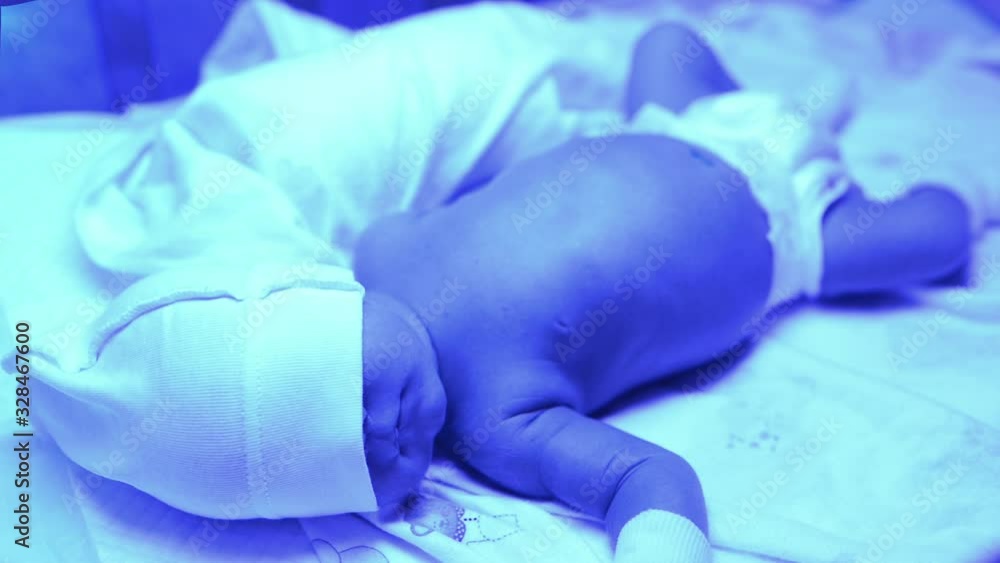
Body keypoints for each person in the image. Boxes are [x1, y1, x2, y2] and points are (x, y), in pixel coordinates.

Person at [1, 2, 982, 562]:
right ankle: (972, 192)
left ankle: (793, 99)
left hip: (669, 122)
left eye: (363, 391)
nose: (392, 432)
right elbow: (651, 475)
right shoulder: (498, 419)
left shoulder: (373, 249)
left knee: (664, 38)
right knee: (927, 238)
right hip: (794, 240)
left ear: (316, 295)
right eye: (361, 461)